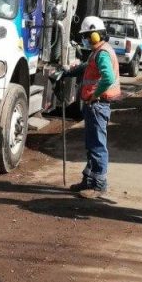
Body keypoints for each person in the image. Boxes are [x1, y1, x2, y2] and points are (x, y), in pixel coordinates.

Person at [52, 16, 121, 199]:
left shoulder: (103, 53)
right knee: (91, 145)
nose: (85, 39)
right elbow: (87, 66)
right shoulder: (98, 52)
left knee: (97, 146)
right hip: (94, 106)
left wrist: (94, 95)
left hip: (97, 105)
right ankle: (89, 179)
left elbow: (107, 78)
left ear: (96, 35)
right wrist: (68, 72)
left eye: (87, 36)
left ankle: (99, 185)